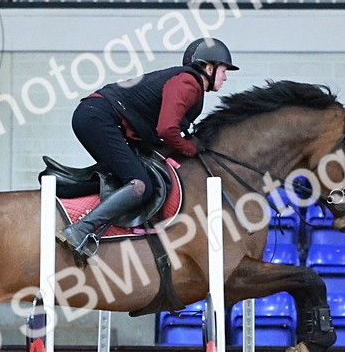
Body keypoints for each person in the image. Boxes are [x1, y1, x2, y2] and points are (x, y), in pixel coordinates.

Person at [56, 37, 239, 263]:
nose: (225, 77)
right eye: (223, 70)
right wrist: (191, 148)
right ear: (209, 68)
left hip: (96, 115)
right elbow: (167, 129)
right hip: (98, 117)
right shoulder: (189, 83)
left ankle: (65, 191)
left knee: (127, 177)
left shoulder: (187, 83)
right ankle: (81, 229)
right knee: (140, 184)